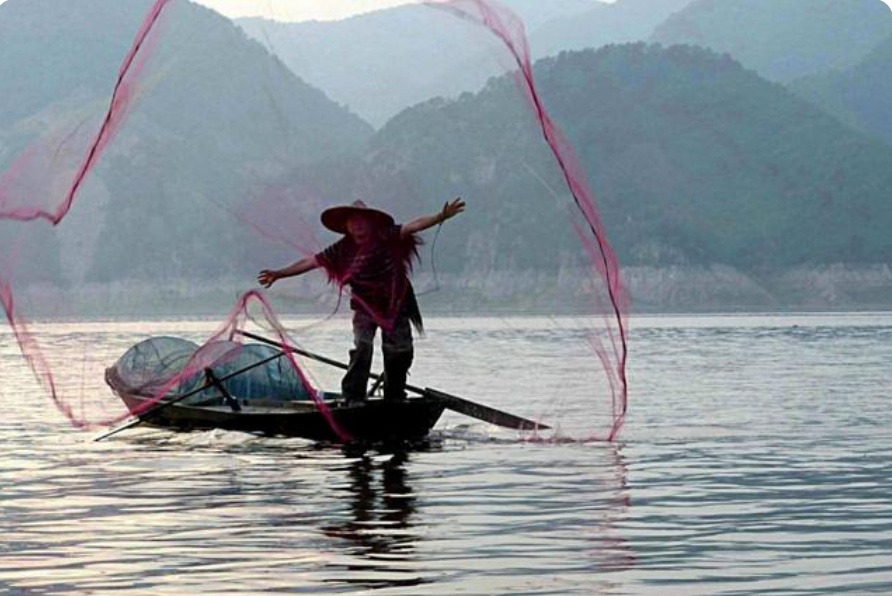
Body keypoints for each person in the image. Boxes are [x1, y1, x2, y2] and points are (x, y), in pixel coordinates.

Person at [258, 198, 466, 404]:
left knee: (398, 351)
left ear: (370, 222)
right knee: (362, 347)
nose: (357, 224)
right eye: (352, 221)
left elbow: (412, 226)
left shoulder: (385, 235)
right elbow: (310, 262)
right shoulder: (340, 249)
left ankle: (394, 396)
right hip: (364, 307)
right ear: (346, 226)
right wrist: (279, 274)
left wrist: (441, 216)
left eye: (361, 220)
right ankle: (353, 396)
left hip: (395, 304)